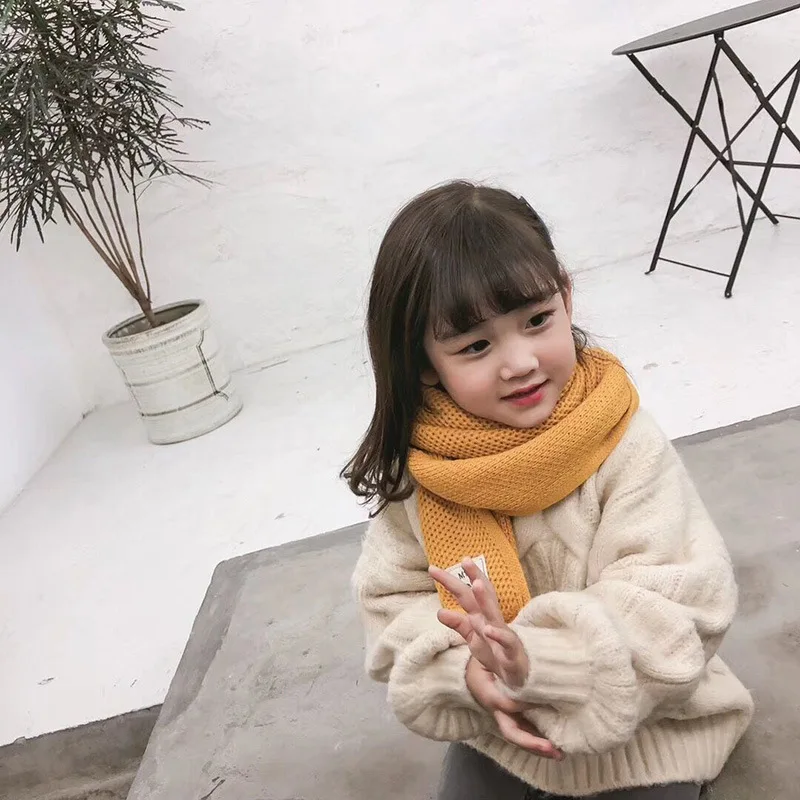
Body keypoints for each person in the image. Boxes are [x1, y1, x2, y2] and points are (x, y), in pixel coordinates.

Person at [343, 181, 753, 799]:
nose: (520, 363)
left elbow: (681, 602)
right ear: (425, 362)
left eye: (537, 321)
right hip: (499, 727)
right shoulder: (428, 473)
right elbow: (392, 603)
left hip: (649, 729)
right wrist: (470, 672)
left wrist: (539, 662)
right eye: (475, 346)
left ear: (565, 295)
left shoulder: (623, 444)